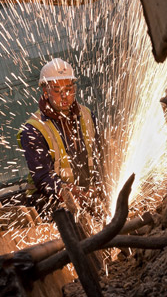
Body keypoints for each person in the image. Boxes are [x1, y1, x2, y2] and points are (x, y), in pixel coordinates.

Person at [17, 58, 103, 219]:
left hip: (88, 196)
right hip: (50, 204)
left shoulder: (87, 115)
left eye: (69, 88)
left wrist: (97, 187)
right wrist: (66, 191)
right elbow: (42, 177)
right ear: (45, 91)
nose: (65, 96)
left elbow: (101, 157)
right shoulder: (34, 129)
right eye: (57, 90)